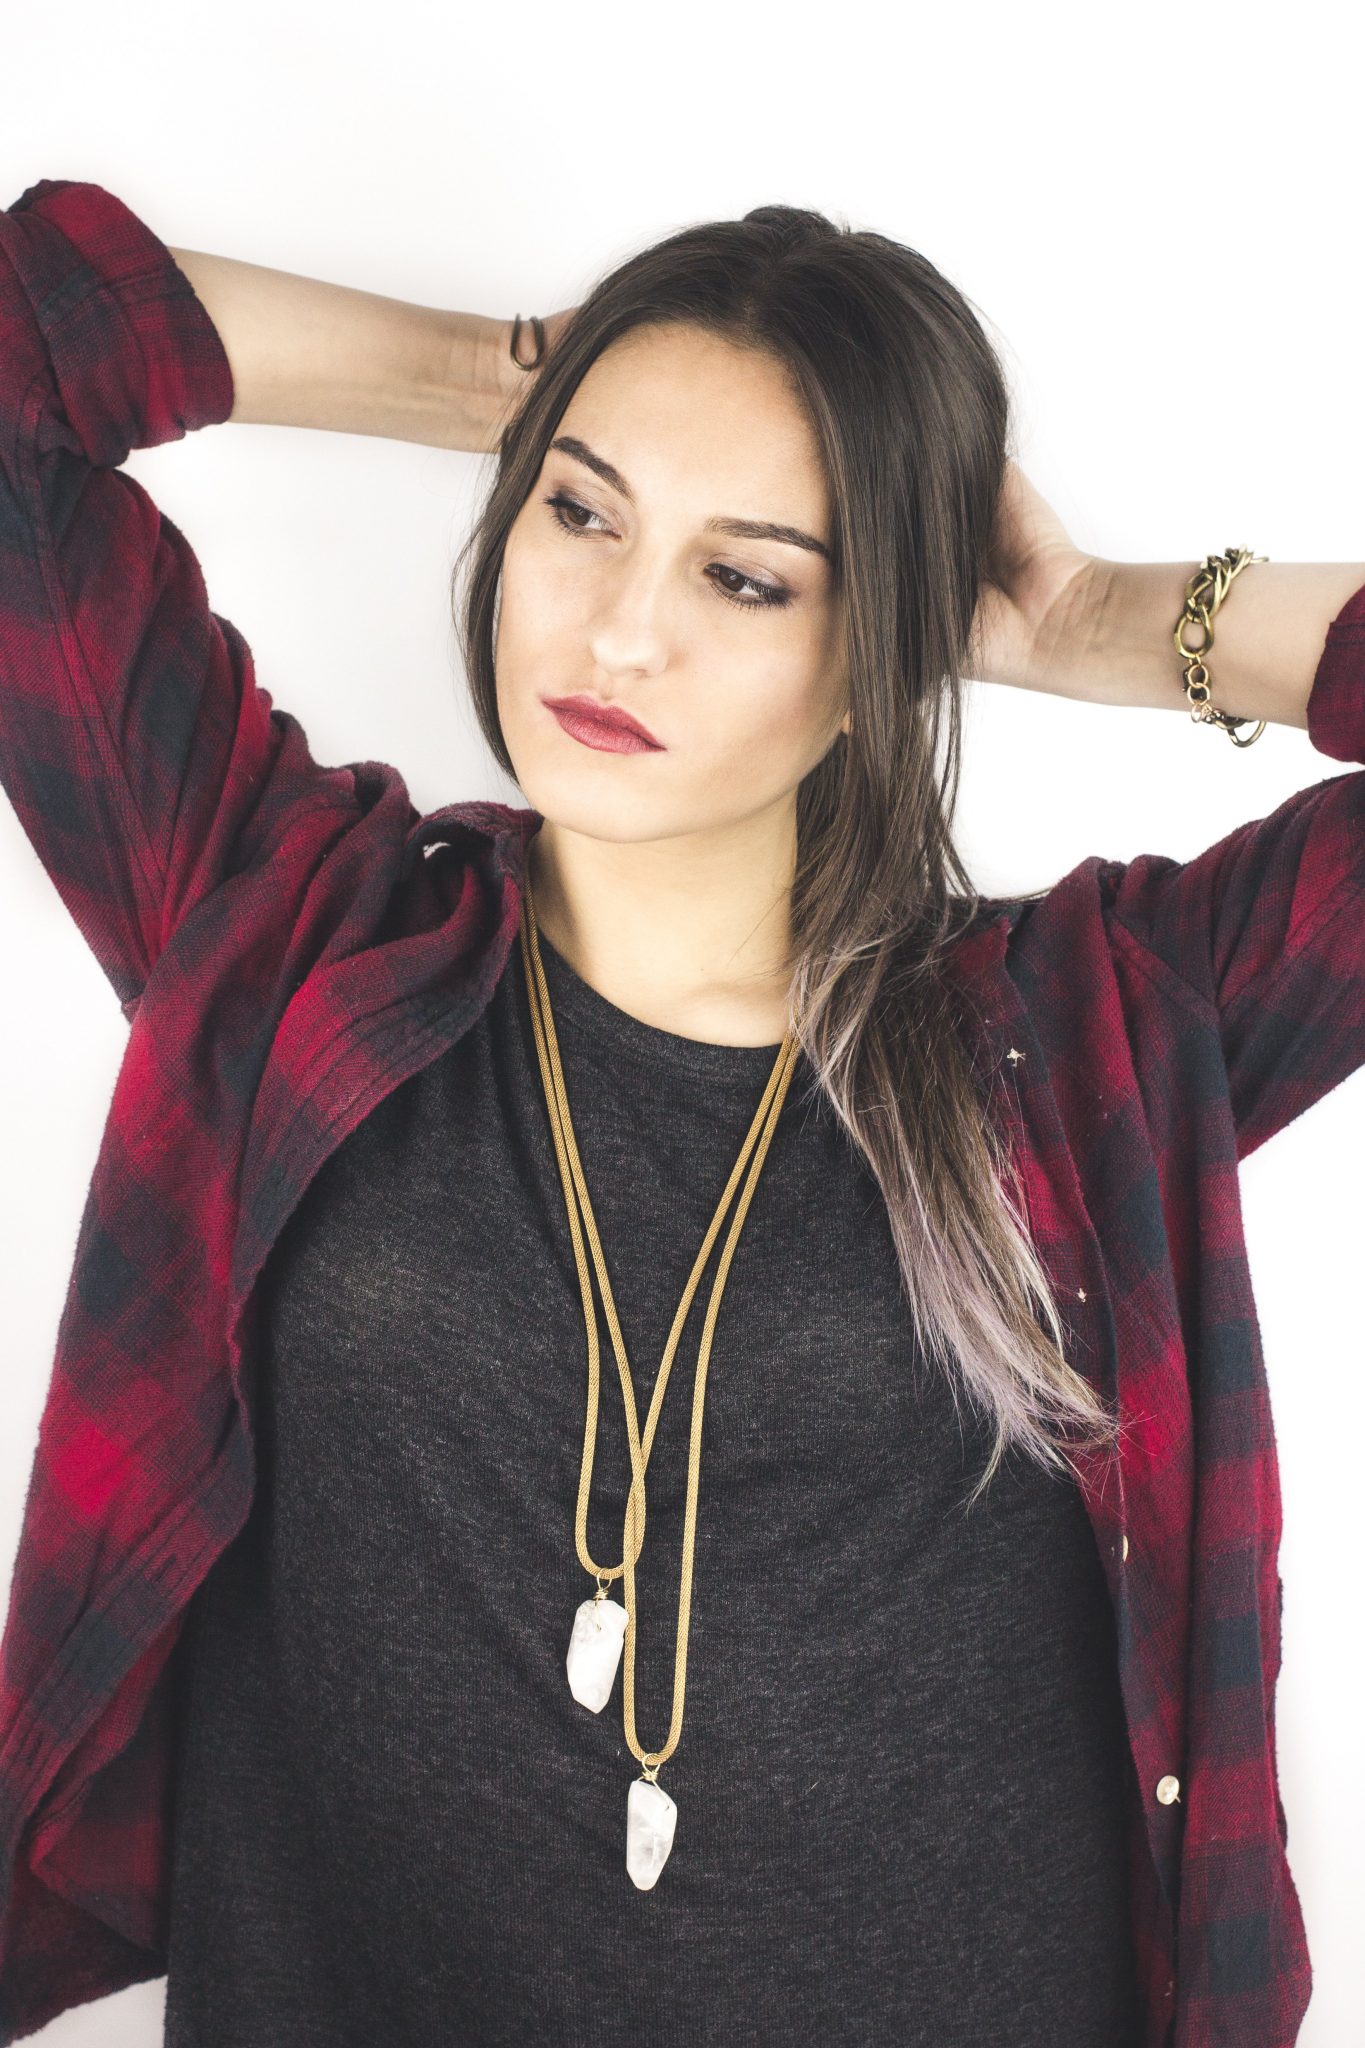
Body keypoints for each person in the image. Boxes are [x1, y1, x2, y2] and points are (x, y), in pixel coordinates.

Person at [0, 176, 1360, 2048]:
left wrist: (1097, 618)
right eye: (579, 513)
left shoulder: (1084, 1034)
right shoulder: (292, 945)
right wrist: (512, 384)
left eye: (745, 575)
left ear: (877, 643)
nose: (616, 633)